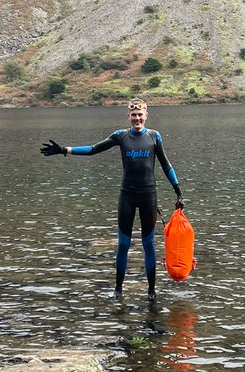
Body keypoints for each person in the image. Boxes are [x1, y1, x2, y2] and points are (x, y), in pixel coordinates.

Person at [40, 98, 184, 301]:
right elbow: (93, 149)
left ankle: (151, 292)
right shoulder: (120, 136)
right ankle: (118, 290)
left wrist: (178, 191)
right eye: (133, 115)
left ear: (146, 115)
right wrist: (65, 150)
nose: (137, 118)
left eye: (140, 114)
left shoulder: (154, 137)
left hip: (148, 196)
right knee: (123, 243)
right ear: (128, 116)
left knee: (148, 244)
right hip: (127, 196)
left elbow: (166, 165)